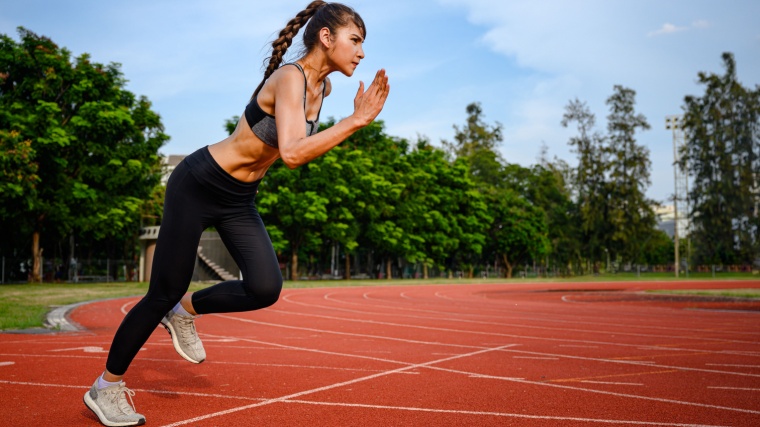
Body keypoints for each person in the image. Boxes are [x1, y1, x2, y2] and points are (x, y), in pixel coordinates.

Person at [83, 2, 389, 425]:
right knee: (161, 291)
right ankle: (105, 387)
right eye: (355, 40)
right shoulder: (289, 78)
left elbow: (290, 151)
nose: (361, 52)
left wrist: (352, 119)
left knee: (265, 287)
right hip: (198, 182)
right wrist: (356, 122)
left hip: (239, 197)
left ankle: (185, 311)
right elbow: (295, 153)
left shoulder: (325, 90)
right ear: (326, 37)